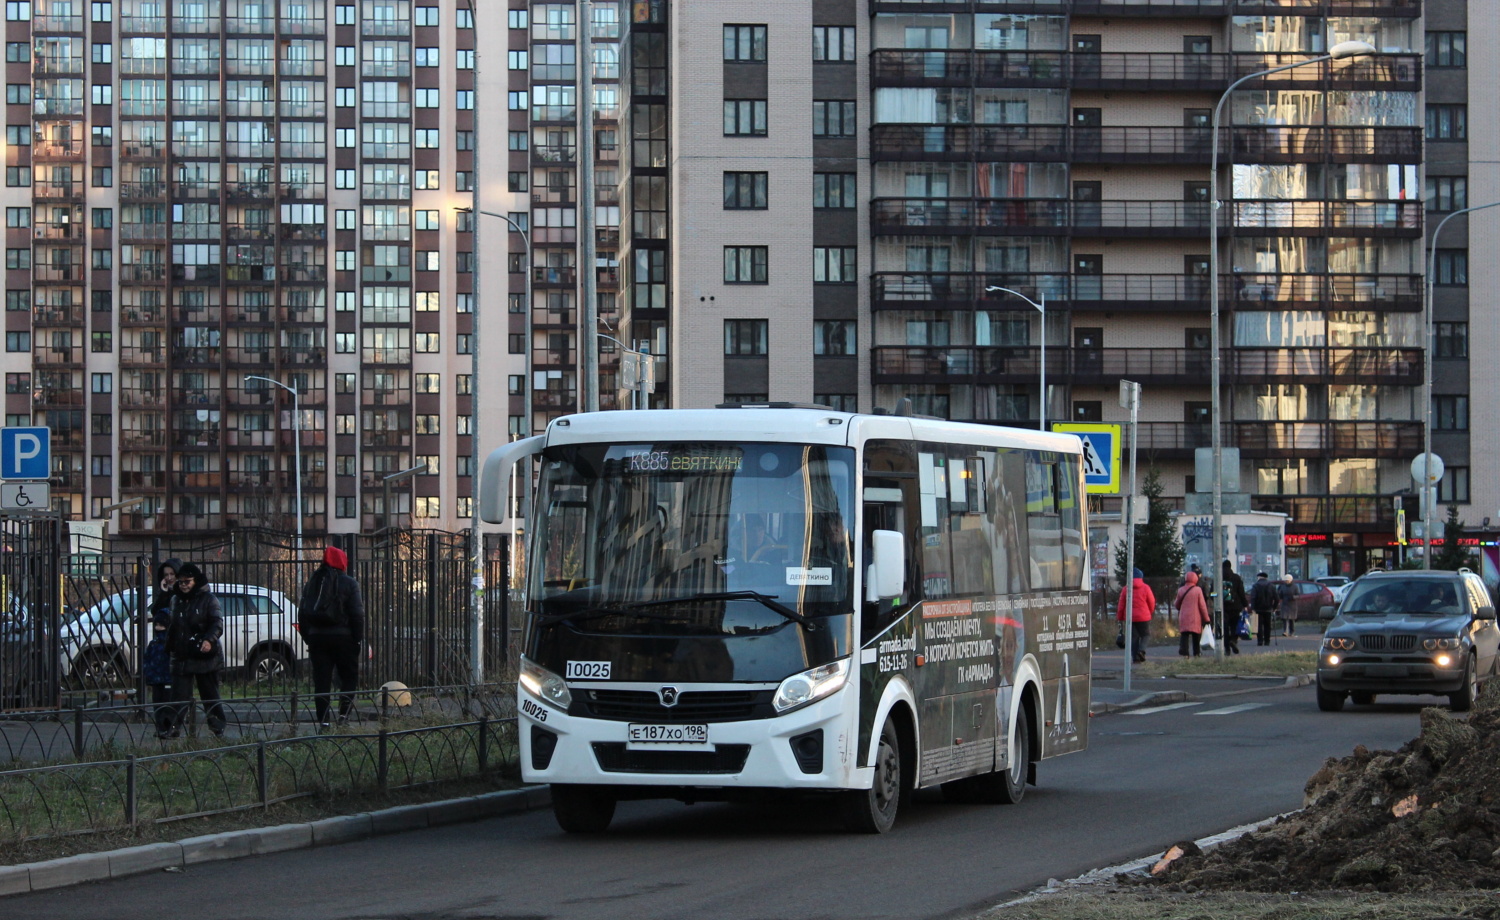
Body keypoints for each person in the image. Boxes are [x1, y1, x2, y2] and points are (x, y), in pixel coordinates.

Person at [298, 545, 366, 728]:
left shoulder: (312, 583)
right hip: (344, 639)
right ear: (343, 562)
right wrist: (357, 638)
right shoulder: (350, 583)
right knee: (349, 677)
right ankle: (343, 715)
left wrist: (309, 637)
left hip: (317, 639)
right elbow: (357, 614)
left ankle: (324, 722)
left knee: (322, 681)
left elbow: (302, 613)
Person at [165, 563, 227, 736]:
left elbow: (217, 623)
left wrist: (209, 639)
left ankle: (217, 727)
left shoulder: (208, 599)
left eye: (187, 582)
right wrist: (170, 646)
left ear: (196, 581)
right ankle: (172, 728)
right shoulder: (175, 599)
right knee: (178, 695)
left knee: (210, 693)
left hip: (204, 654)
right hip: (182, 654)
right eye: (181, 582)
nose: (183, 585)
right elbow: (173, 625)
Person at [147, 557, 182, 738]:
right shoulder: (166, 593)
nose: (169, 578)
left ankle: (172, 725)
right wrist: (163, 592)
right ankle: (162, 725)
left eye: (171, 574)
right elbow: (155, 612)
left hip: (177, 649)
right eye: (166, 574)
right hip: (162, 649)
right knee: (159, 692)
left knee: (173, 691)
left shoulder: (183, 594)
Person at [1116, 567, 1155, 664]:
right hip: (1143, 616)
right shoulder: (1146, 588)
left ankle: (1135, 658)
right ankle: (1141, 650)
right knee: (1146, 635)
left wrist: (1120, 617)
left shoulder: (1126, 589)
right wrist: (1149, 612)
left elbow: (1121, 605)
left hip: (1130, 617)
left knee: (1134, 637)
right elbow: (1151, 602)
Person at [1175, 570, 1210, 657]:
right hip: (1195, 616)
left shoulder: (1180, 590)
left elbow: (1176, 604)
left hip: (1183, 616)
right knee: (1196, 635)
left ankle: (1185, 652)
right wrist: (1206, 618)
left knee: (1184, 634)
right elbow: (1202, 606)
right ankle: (1197, 652)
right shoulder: (1198, 590)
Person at [1221, 560, 1247, 656]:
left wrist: (1215, 599)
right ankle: (1233, 640)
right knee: (1235, 627)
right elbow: (1241, 593)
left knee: (1225, 629)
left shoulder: (1218, 577)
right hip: (1236, 607)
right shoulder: (1236, 578)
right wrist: (1245, 604)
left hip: (1222, 607)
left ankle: (1227, 649)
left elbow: (1212, 593)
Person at [1250, 572, 1277, 646]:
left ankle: (1260, 641)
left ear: (1258, 577)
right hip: (1268, 609)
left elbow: (1253, 597)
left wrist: (1253, 608)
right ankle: (1267, 641)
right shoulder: (1271, 586)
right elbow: (1276, 598)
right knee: (1267, 625)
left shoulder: (1255, 586)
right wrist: (1274, 607)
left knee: (1259, 625)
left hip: (1258, 609)